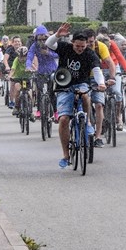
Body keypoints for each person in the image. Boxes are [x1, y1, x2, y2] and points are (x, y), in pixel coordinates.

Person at [45, 23, 106, 169]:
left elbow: (97, 70)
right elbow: (49, 44)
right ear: (73, 43)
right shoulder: (65, 47)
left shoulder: (90, 54)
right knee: (64, 119)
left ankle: (88, 123)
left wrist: (101, 83)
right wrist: (57, 35)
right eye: (77, 46)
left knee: (85, 96)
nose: (80, 49)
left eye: (83, 47)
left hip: (81, 84)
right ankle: (66, 155)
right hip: (64, 85)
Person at [26, 25, 59, 120]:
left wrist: (49, 53)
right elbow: (29, 56)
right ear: (36, 38)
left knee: (52, 92)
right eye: (39, 39)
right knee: (40, 91)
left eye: (44, 39)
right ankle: (39, 110)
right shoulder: (34, 46)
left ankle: (56, 112)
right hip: (40, 71)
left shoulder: (52, 44)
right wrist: (28, 66)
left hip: (52, 70)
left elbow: (58, 54)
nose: (42, 42)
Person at [9, 46, 33, 118]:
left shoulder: (28, 60)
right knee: (17, 90)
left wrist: (33, 70)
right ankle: (16, 107)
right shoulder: (16, 60)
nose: (22, 58)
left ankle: (30, 111)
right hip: (18, 78)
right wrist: (10, 76)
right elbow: (13, 69)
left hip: (27, 78)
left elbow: (33, 66)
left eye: (24, 57)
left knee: (30, 92)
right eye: (20, 56)